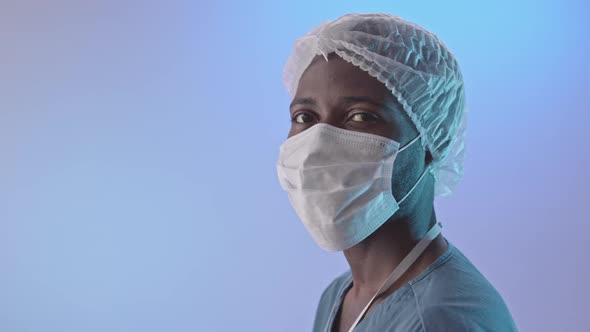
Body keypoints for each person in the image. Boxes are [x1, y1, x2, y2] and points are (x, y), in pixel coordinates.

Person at [276, 13, 517, 332]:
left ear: (432, 139)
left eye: (360, 117)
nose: (319, 143)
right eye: (305, 117)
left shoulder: (439, 319)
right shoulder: (340, 296)